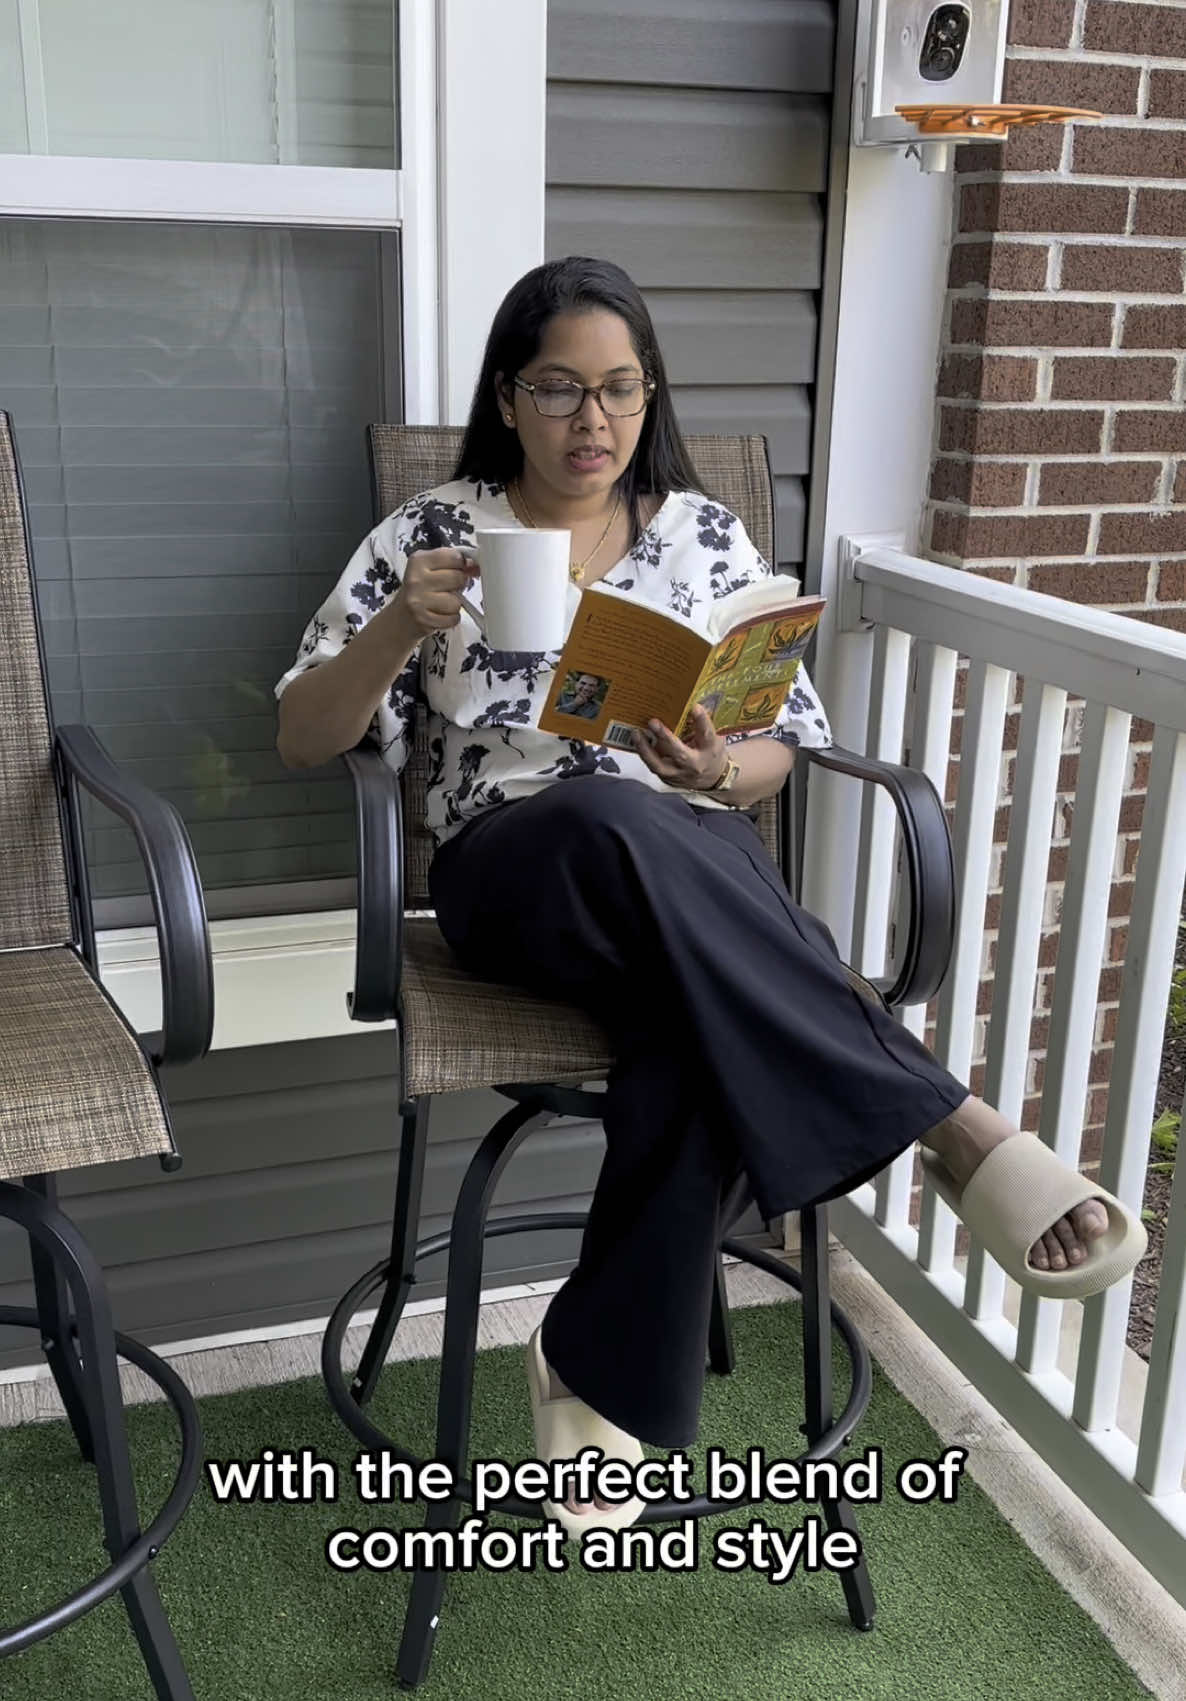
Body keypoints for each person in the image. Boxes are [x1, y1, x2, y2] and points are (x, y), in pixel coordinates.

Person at [276, 256, 1144, 1534]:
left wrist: (720, 763)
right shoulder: (432, 534)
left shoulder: (700, 533)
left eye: (621, 389)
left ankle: (592, 1362)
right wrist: (399, 630)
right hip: (516, 872)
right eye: (562, 388)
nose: (595, 421)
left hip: (690, 860)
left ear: (648, 397)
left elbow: (781, 739)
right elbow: (306, 737)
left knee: (692, 1021)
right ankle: (946, 1122)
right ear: (508, 396)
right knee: (600, 809)